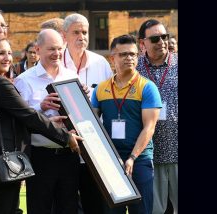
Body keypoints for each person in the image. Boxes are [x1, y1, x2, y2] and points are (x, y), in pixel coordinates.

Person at [0, 34, 82, 214]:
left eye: (9, 53)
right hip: (4, 162)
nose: (7, 58)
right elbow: (29, 115)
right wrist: (65, 137)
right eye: (1, 53)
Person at [14, 29, 85, 214]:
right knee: (39, 208)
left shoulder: (71, 77)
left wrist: (82, 100)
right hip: (40, 156)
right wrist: (41, 109)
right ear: (38, 49)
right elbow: (19, 121)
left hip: (69, 154)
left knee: (69, 208)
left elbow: (82, 115)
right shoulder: (23, 80)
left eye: (60, 48)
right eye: (51, 49)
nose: (57, 53)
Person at [91, 34, 162, 214]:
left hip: (139, 161)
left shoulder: (147, 87)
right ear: (112, 57)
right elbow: (91, 124)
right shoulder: (100, 88)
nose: (129, 58)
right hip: (111, 162)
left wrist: (132, 157)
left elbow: (149, 127)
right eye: (123, 54)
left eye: (133, 54)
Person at [62, 13, 113, 214]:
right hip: (64, 147)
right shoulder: (57, 61)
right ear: (64, 35)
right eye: (76, 32)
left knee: (95, 205)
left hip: (95, 148)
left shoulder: (101, 63)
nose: (81, 37)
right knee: (66, 205)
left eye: (84, 32)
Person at [136, 19, 178, 214]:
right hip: (150, 155)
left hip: (178, 152)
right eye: (155, 38)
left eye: (164, 37)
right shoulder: (135, 71)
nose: (161, 41)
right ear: (142, 43)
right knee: (153, 211)